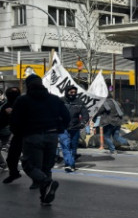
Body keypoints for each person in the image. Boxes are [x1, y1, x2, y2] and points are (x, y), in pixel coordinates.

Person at [10, 75, 70, 206]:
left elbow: (15, 121)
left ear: (28, 85)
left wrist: (19, 133)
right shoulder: (54, 99)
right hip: (52, 135)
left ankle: (46, 182)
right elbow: (66, 116)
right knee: (46, 167)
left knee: (29, 164)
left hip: (32, 135)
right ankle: (45, 196)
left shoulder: (23, 100)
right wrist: (59, 128)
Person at [59, 85, 89, 172]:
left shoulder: (80, 102)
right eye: (71, 92)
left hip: (75, 127)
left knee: (73, 146)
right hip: (63, 127)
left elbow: (85, 114)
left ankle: (70, 163)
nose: (73, 94)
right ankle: (69, 164)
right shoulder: (60, 101)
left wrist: (83, 122)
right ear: (66, 92)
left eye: (75, 92)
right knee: (65, 145)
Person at [1, 87, 22, 182]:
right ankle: (14, 173)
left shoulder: (24, 103)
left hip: (20, 133)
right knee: (12, 158)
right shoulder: (5, 106)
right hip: (14, 133)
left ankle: (41, 178)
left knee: (28, 158)